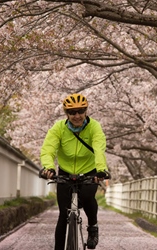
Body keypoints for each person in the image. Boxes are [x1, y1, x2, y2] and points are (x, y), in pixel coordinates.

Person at [39, 93, 108, 250]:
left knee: (87, 196)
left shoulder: (94, 127)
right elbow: (48, 149)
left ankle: (93, 227)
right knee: (63, 215)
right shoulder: (58, 128)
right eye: (72, 112)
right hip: (65, 172)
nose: (77, 116)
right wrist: (48, 167)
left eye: (80, 111)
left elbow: (99, 148)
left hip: (90, 171)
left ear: (86, 111)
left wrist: (101, 170)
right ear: (66, 114)